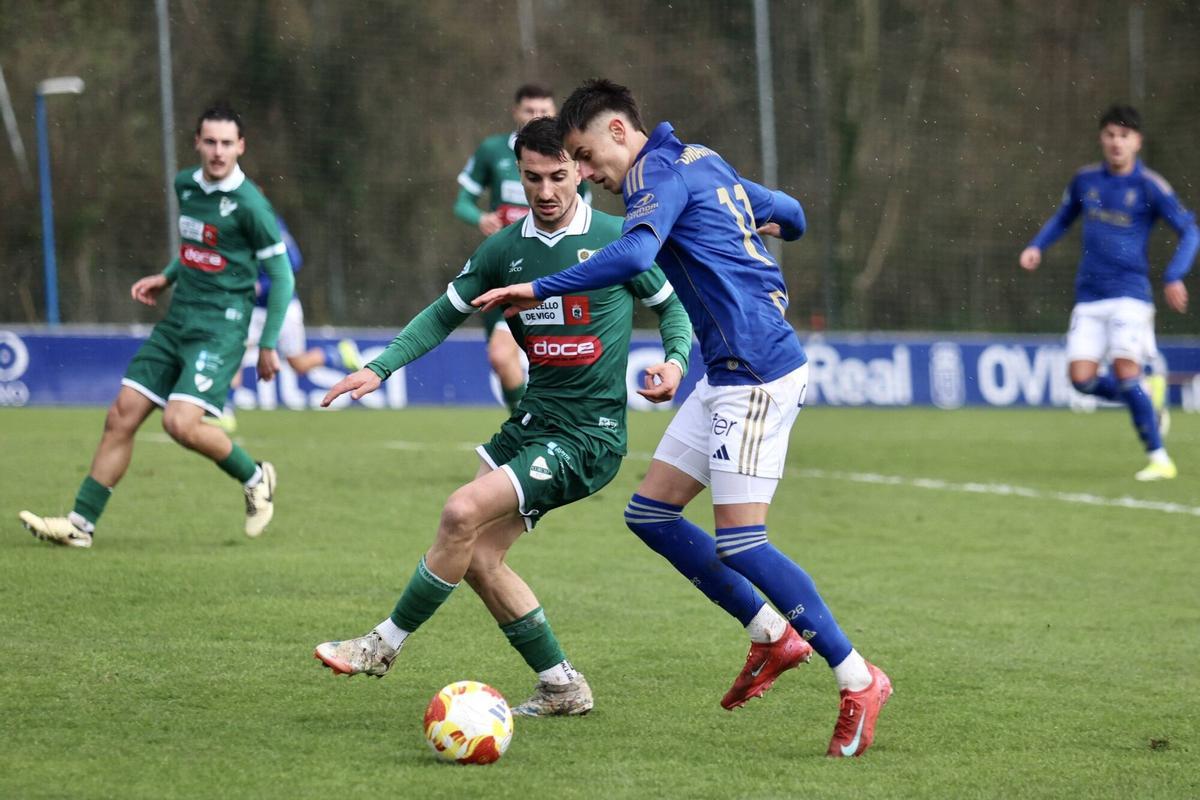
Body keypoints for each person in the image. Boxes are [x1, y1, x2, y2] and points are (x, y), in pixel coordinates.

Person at [474, 79, 891, 757]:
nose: (584, 175)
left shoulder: (655, 176)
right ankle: (771, 637)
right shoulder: (701, 161)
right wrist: (761, 229)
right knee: (651, 514)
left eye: (583, 156)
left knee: (743, 544)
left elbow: (637, 255)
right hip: (727, 369)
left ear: (617, 131)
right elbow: (791, 211)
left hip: (755, 373)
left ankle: (859, 678)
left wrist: (537, 286)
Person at [313, 117, 693, 716]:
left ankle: (380, 646)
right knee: (479, 557)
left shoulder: (623, 239)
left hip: (589, 436)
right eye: (532, 178)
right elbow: (442, 314)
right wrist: (381, 368)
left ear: (581, 171)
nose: (545, 191)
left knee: (460, 511)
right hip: (532, 424)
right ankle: (562, 685)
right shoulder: (502, 250)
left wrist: (673, 364)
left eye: (559, 176)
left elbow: (674, 313)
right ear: (519, 175)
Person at [18, 103, 291, 548]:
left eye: (227, 143)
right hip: (177, 321)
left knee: (179, 424)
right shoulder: (186, 184)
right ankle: (80, 525)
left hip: (221, 328)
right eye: (210, 142)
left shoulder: (251, 206)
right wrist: (167, 276)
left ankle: (256, 475)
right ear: (197, 143)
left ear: (241, 146)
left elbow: (281, 276)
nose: (218, 152)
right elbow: (194, 244)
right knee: (120, 416)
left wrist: (268, 342)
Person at [1020, 104, 1197, 481]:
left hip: (1130, 296)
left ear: (1137, 142)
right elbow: (1063, 217)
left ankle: (1160, 459)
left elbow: (1190, 230)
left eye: (1124, 136)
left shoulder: (1150, 186)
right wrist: (1037, 246)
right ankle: (1147, 400)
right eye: (1110, 135)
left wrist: (1174, 275)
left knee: (1124, 371)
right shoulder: (1085, 181)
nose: (1117, 142)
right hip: (1089, 296)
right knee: (1082, 380)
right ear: (1102, 139)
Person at [454, 83, 589, 414]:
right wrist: (481, 217)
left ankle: (546, 427)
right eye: (530, 110)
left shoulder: (570, 154)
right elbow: (462, 203)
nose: (537, 116)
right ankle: (526, 425)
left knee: (558, 361)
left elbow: (583, 214)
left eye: (544, 110)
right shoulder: (493, 151)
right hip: (507, 267)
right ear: (516, 112)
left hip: (554, 268)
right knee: (502, 356)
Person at [209, 215, 362, 432]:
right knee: (234, 353)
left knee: (297, 364)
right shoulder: (234, 225)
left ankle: (338, 353)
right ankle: (225, 410)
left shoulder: (271, 225)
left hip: (283, 306)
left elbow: (292, 266)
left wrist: (261, 286)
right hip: (253, 308)